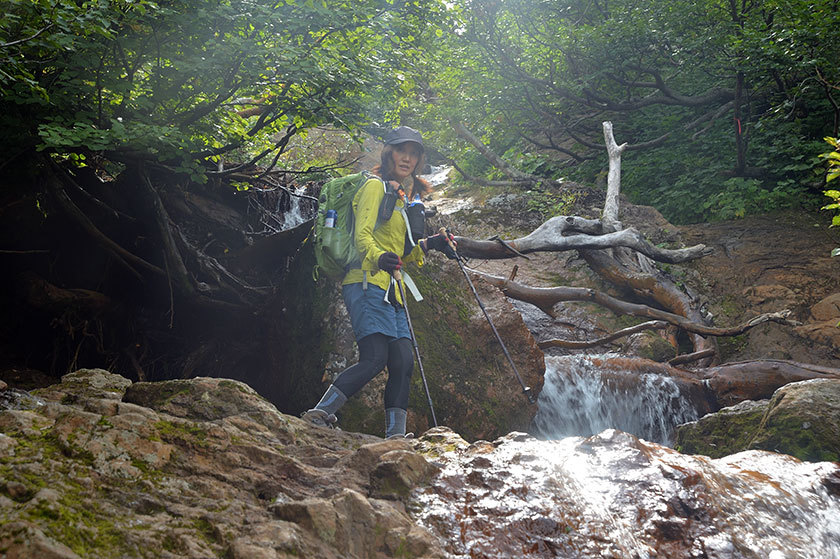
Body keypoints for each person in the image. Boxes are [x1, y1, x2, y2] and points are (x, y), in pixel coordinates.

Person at [302, 126, 455, 438]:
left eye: (414, 153)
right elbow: (363, 237)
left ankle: (395, 438)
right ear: (389, 153)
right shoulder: (374, 188)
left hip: (392, 288)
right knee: (375, 358)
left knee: (402, 362)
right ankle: (319, 413)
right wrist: (378, 257)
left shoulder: (403, 199)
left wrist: (433, 244)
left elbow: (404, 252)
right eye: (402, 151)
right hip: (365, 282)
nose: (407, 158)